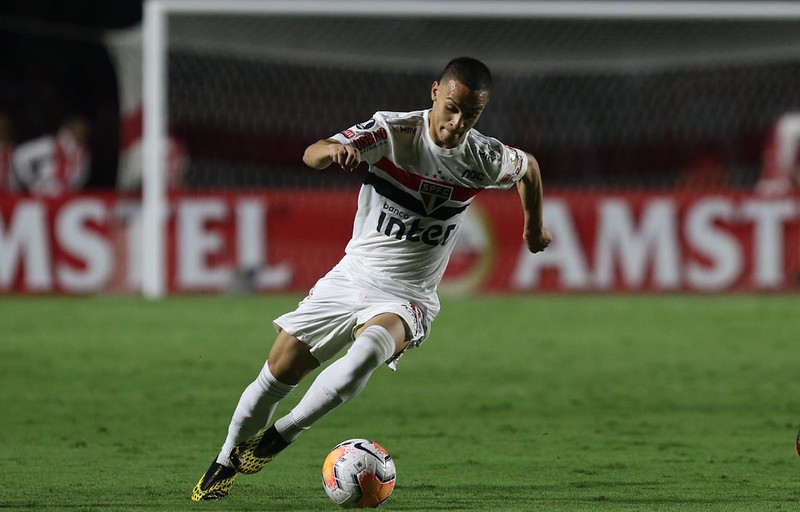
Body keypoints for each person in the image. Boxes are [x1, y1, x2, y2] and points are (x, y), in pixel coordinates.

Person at [191, 57, 552, 501]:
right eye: (452, 108)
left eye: (470, 116)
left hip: (408, 296)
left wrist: (532, 228)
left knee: (366, 354)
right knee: (275, 377)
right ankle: (226, 459)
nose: (457, 124)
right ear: (435, 92)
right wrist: (334, 152)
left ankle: (280, 435)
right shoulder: (393, 132)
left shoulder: (484, 157)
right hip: (351, 277)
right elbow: (313, 152)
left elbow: (529, 168)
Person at [12, 114, 91, 197]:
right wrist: (32, 182)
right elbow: (20, 155)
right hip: (42, 195)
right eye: (80, 128)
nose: (83, 132)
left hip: (66, 197)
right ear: (70, 127)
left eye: (85, 129)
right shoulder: (50, 144)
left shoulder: (83, 153)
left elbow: (81, 178)